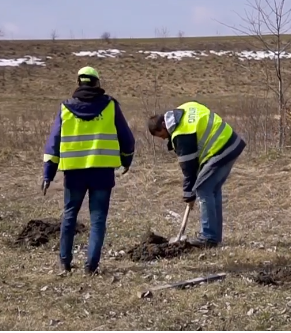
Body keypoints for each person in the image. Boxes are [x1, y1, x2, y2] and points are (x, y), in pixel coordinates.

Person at [42, 66, 135, 274]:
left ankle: (64, 262)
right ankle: (90, 266)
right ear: (97, 83)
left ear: (79, 83)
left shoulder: (65, 108)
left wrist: (48, 173)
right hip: (102, 173)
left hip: (74, 174)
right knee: (98, 218)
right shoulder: (111, 106)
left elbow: (53, 142)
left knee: (69, 215)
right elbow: (127, 139)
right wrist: (126, 161)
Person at [147, 101, 245, 248]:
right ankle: (214, 237)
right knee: (212, 190)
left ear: (163, 126)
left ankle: (208, 237)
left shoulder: (181, 134)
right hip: (231, 142)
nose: (162, 139)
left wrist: (189, 194)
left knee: (203, 189)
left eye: (160, 135)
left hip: (220, 148)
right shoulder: (185, 108)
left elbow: (189, 168)